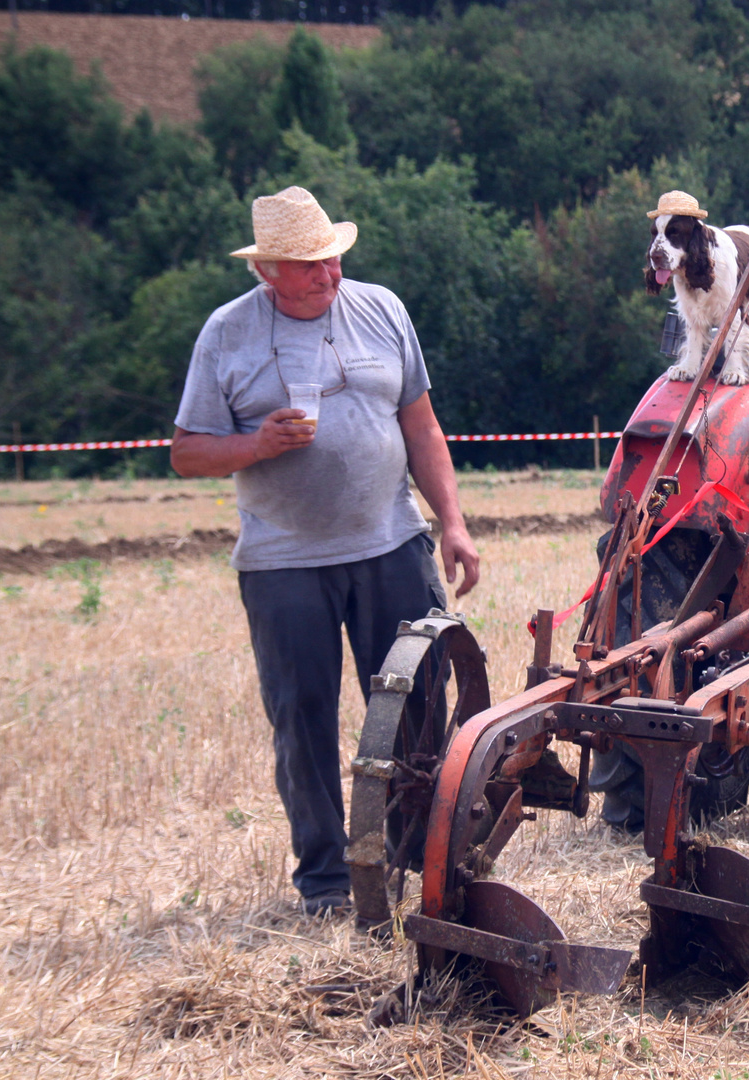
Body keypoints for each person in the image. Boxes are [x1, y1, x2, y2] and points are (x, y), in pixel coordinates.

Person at [171, 186, 480, 917]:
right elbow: (187, 452)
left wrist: (455, 523)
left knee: (417, 705)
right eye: (310, 266)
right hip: (284, 564)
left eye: (333, 260)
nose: (329, 275)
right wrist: (257, 444)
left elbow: (423, 429)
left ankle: (412, 858)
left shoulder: (382, 309)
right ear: (269, 270)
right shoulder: (227, 335)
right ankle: (325, 881)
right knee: (301, 718)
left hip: (392, 544)